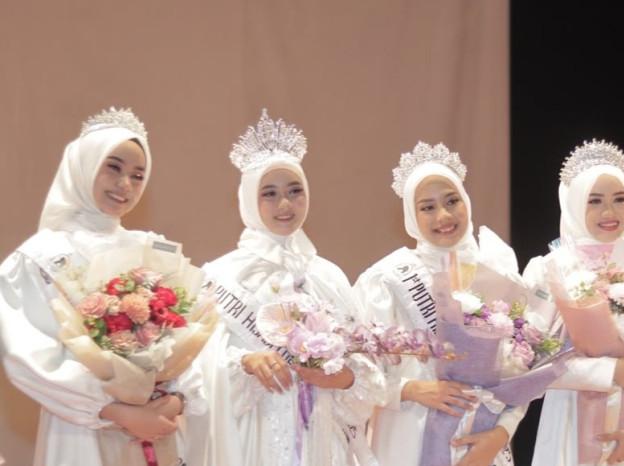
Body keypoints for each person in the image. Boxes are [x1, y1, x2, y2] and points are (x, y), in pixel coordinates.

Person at [186, 109, 384, 466]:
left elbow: (365, 368)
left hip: (323, 439)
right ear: (249, 198)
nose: (285, 204)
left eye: (295, 191)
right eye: (270, 193)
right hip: (252, 438)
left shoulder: (328, 276)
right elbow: (195, 367)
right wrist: (246, 362)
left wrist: (344, 377)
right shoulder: (220, 275)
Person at [0, 108, 192, 465]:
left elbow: (189, 333)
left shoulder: (152, 248)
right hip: (80, 431)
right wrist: (115, 410)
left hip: (156, 425)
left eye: (138, 175)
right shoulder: (40, 257)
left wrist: (177, 399)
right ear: (83, 165)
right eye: (113, 167)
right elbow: (30, 356)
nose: (125, 185)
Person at [354, 141, 526, 466]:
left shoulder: (497, 269)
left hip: (482, 441)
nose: (443, 216)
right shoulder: (386, 280)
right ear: (411, 215)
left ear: (466, 201)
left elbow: (523, 367)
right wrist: (410, 389)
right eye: (427, 207)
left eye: (451, 201)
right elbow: (358, 374)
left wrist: (503, 433)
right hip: (409, 436)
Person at [526, 140, 624, 465]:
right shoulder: (549, 268)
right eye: (594, 201)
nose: (609, 212)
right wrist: (609, 372)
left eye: (619, 199)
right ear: (573, 203)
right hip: (569, 425)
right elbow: (529, 364)